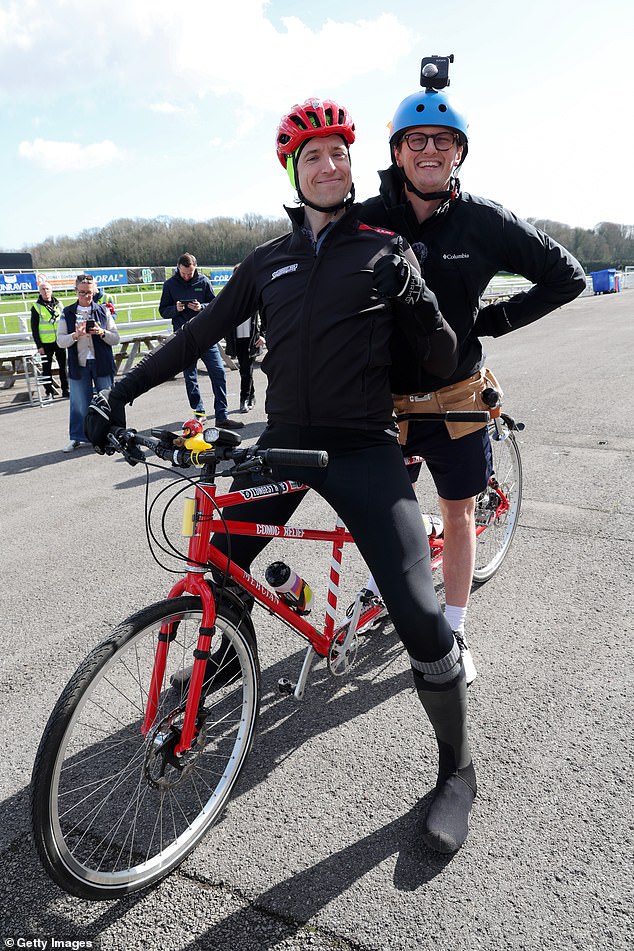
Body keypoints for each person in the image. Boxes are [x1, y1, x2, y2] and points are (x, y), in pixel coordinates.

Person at [85, 97, 479, 854]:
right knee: (221, 556)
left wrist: (418, 293)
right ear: (293, 173)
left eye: (338, 153)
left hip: (363, 451)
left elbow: (438, 356)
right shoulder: (269, 261)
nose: (328, 165)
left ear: (353, 165)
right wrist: (117, 393)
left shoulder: (384, 247)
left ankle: (458, 770)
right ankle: (225, 657)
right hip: (285, 444)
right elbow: (197, 333)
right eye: (312, 157)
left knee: (425, 621)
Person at [359, 65, 587, 683]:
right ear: (397, 150)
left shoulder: (484, 220)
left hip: (458, 393)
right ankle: (399, 587)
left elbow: (568, 277)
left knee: (459, 512)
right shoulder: (367, 217)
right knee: (384, 512)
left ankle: (451, 630)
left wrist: (496, 320)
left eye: (443, 140)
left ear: (459, 152)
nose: (429, 150)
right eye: (416, 139)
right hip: (387, 400)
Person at [159, 252, 243, 429]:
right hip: (184, 337)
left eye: (190, 273)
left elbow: (215, 305)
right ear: (178, 268)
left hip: (206, 335)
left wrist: (201, 307)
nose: (187, 276)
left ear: (195, 267)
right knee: (190, 377)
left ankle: (222, 415)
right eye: (183, 273)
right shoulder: (170, 284)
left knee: (219, 373)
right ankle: (199, 413)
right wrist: (175, 309)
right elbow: (163, 310)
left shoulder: (203, 281)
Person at [57, 273, 120, 452]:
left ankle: (111, 434)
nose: (86, 296)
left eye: (90, 293)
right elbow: (61, 341)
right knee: (79, 402)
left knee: (108, 400)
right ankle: (77, 437)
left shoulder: (103, 310)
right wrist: (76, 335)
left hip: (102, 363)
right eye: (82, 292)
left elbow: (115, 338)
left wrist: (101, 332)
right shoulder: (67, 312)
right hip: (79, 364)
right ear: (76, 291)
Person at [225, 264, 265, 413]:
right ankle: (252, 396)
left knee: (246, 370)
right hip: (236, 339)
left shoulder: (256, 293)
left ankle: (244, 399)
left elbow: (265, 314)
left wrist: (263, 335)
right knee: (245, 370)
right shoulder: (229, 295)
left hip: (252, 338)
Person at [30, 280, 69, 398]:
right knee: (46, 369)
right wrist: (39, 346)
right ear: (39, 292)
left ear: (51, 291)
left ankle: (65, 390)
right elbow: (34, 329)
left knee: (63, 367)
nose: (45, 291)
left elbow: (65, 322)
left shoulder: (59, 305)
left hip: (59, 341)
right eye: (43, 289)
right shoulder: (36, 307)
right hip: (45, 343)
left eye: (47, 289)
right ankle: (49, 391)